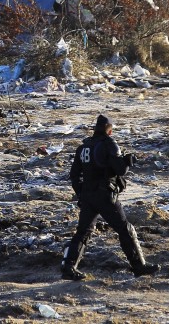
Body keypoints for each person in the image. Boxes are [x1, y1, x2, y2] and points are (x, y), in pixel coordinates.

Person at [62, 115, 159, 280]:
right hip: (105, 195)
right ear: (110, 130)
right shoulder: (109, 144)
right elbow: (121, 170)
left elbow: (74, 175)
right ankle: (139, 266)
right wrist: (128, 161)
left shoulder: (83, 147)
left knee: (83, 232)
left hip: (88, 196)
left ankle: (69, 268)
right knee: (125, 229)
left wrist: (82, 194)